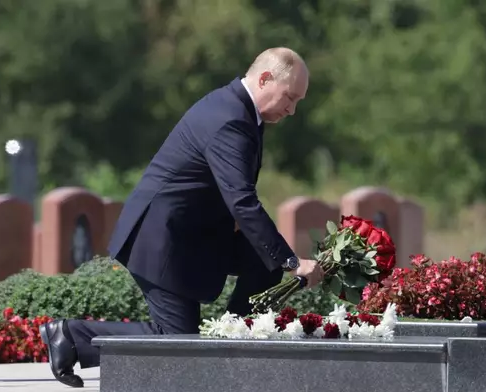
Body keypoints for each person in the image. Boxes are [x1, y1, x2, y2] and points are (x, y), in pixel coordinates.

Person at [38, 47, 325, 388]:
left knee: (262, 262)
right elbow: (243, 201)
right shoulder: (231, 117)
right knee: (179, 348)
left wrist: (276, 256)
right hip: (162, 241)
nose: (292, 109)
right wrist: (292, 262)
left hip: (193, 235)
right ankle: (70, 334)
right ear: (265, 79)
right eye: (290, 98)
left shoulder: (241, 110)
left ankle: (230, 342)